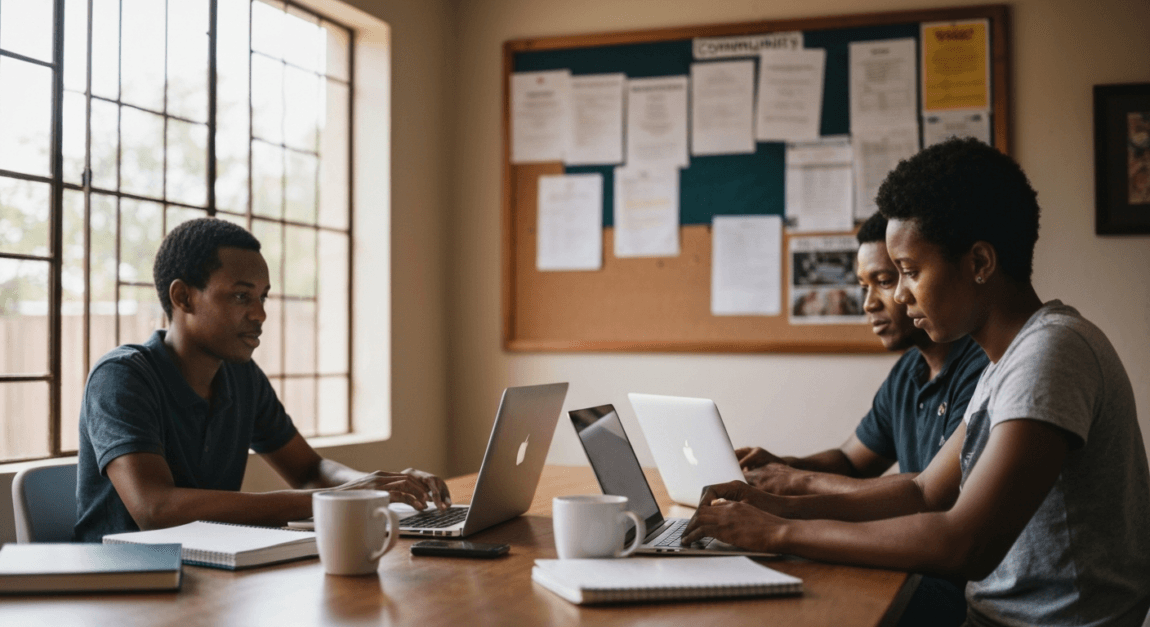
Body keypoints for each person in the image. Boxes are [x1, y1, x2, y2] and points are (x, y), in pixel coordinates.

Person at [683, 138, 1150, 627]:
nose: (900, 294)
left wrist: (779, 533)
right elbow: (925, 492)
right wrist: (774, 506)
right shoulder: (1007, 363)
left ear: (980, 263)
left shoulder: (1051, 354)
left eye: (908, 272)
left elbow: (963, 543)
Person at [75, 218, 451, 542]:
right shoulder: (122, 377)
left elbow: (308, 471)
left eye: (263, 297)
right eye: (241, 296)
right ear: (183, 297)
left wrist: (380, 487)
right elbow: (155, 509)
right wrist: (342, 497)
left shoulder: (241, 377)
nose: (260, 314)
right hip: (120, 588)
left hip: (207, 573)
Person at [738, 212, 988, 499]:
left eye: (884, 281)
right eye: (863, 287)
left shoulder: (982, 367)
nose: (869, 304)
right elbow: (852, 461)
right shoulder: (909, 370)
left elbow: (936, 493)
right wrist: (782, 466)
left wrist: (798, 481)